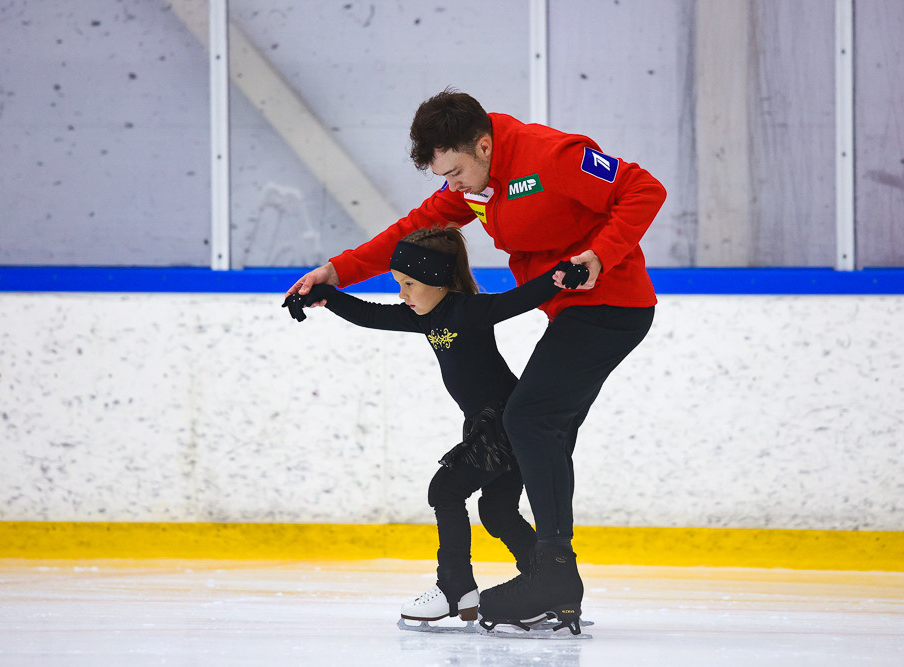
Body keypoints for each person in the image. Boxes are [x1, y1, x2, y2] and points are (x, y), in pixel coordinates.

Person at [287, 88, 666, 634]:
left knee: (530, 419)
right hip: (575, 313)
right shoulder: (474, 185)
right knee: (540, 427)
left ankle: (553, 573)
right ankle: (552, 577)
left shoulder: (552, 156)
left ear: (485, 146)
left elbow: (643, 189)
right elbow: (408, 232)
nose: (453, 185)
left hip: (611, 305)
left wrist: (600, 256)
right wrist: (336, 272)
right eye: (444, 176)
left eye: (457, 171)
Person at [283, 226, 589, 629]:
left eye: (409, 284)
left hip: (503, 424)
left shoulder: (469, 311)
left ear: (439, 281)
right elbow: (371, 314)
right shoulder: (424, 316)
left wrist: (561, 276)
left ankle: (455, 587)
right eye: (398, 283)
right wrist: (326, 295)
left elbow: (519, 299)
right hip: (489, 429)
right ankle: (552, 587)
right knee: (495, 510)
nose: (402, 294)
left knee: (444, 490)